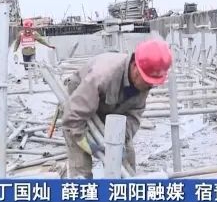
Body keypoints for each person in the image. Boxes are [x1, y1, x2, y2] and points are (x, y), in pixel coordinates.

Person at [61, 39, 172, 178]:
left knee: (126, 163)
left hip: (108, 107)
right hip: (79, 110)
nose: (150, 87)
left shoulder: (145, 83)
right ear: (136, 68)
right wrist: (88, 145)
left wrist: (119, 142)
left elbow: (133, 117)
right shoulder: (103, 75)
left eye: (153, 84)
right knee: (81, 170)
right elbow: (72, 119)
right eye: (148, 82)